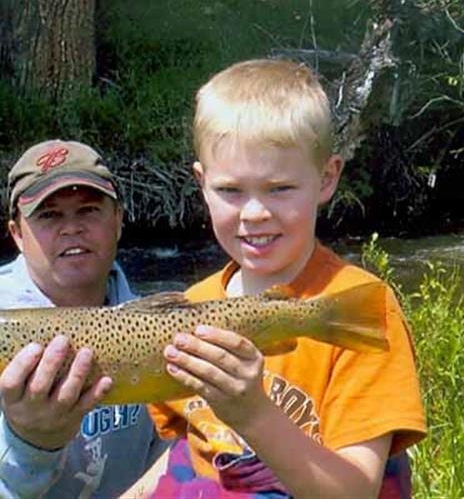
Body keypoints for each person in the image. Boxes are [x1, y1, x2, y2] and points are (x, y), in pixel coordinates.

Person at [145, 59, 427, 498]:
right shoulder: (189, 307)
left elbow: (355, 492)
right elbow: (191, 448)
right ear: (202, 183)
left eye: (279, 189)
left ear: (327, 179)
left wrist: (253, 414)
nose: (255, 213)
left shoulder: (356, 307)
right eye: (230, 190)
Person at [0, 140, 168, 498]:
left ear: (118, 220)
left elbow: (180, 454)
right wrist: (27, 442)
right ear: (17, 234)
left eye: (88, 210)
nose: (71, 227)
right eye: (49, 215)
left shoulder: (157, 326)